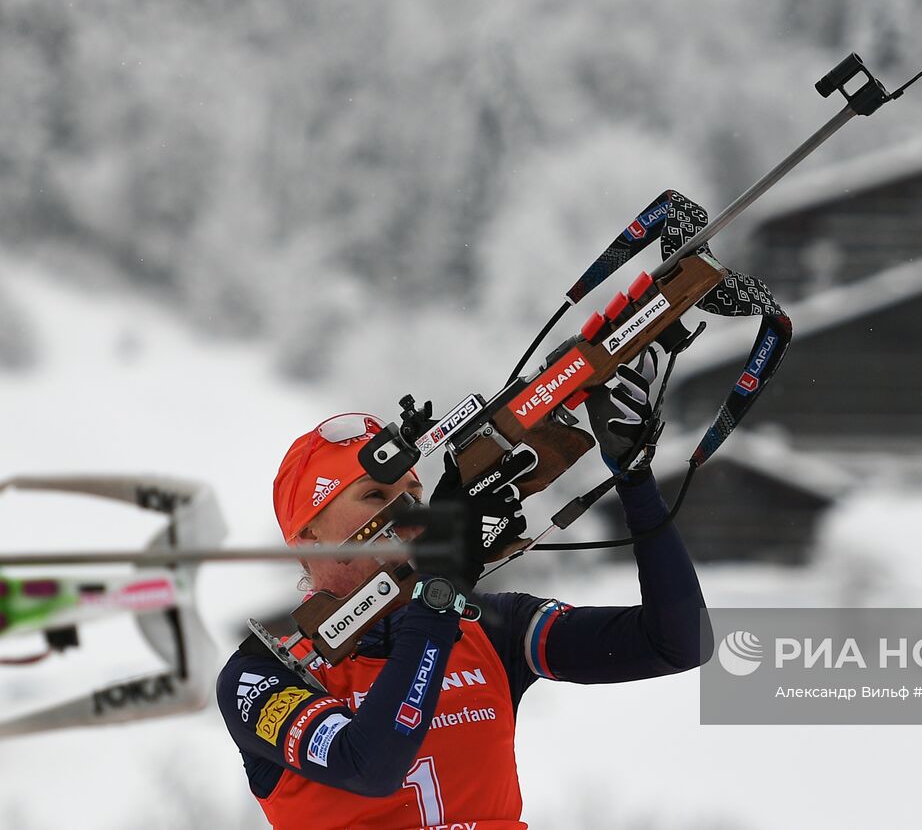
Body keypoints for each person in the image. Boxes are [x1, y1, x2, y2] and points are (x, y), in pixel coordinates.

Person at [215, 351, 713, 829]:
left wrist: (636, 480)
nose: (407, 513)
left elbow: (677, 642)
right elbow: (370, 764)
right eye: (374, 495)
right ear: (308, 537)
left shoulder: (489, 629)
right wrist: (443, 589)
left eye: (414, 494)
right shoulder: (259, 672)